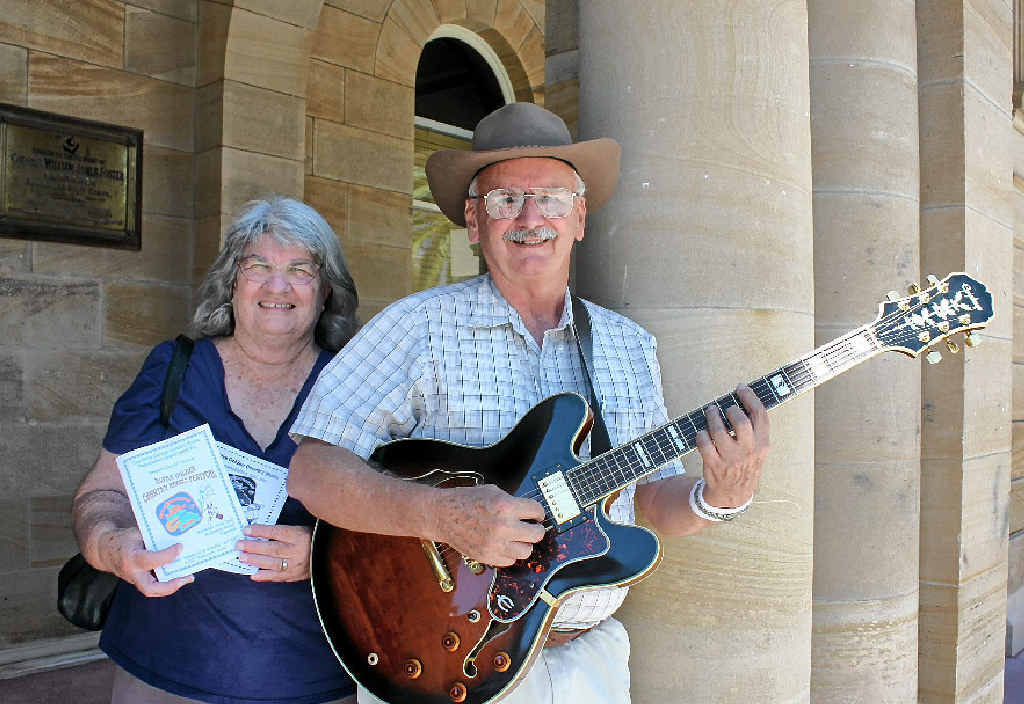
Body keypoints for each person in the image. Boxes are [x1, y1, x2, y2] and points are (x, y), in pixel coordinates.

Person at [287, 103, 770, 703]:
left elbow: (653, 499)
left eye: (552, 198)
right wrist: (439, 517)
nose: (531, 217)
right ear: (473, 220)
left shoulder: (627, 346)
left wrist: (720, 497)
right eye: (504, 200)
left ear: (580, 217)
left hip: (585, 661)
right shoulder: (416, 327)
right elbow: (313, 470)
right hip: (435, 654)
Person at [71, 197, 359, 704]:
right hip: (163, 670)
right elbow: (102, 493)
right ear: (232, 282)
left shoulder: (358, 385)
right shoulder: (172, 369)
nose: (277, 286)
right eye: (258, 267)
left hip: (315, 677)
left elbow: (405, 526)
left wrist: (326, 554)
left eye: (300, 270)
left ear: (326, 289)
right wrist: (113, 547)